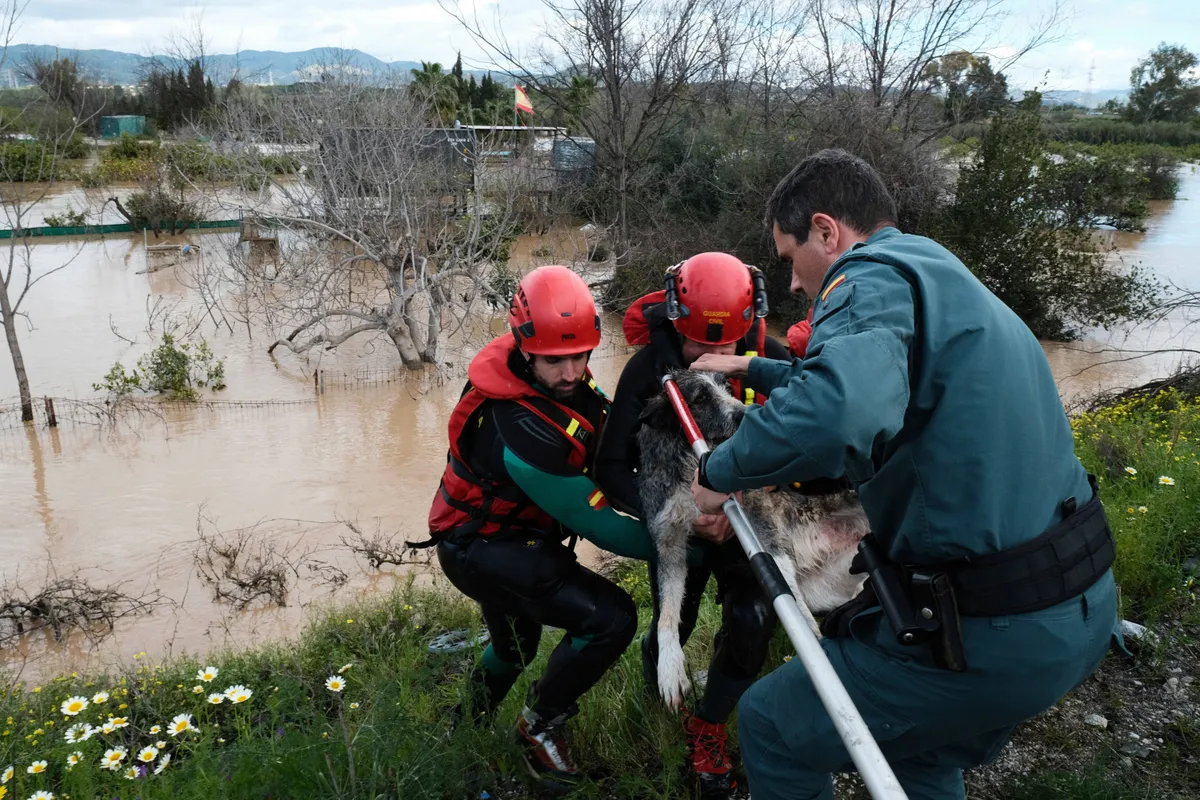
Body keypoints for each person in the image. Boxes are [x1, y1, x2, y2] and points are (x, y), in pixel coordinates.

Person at [688, 149, 1119, 800]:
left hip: (993, 638)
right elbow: (890, 382)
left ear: (827, 232)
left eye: (790, 258)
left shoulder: (864, 278)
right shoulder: (933, 270)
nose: (797, 286)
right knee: (920, 758)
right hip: (1079, 610)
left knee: (773, 722)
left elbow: (838, 412)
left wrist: (718, 472)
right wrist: (753, 370)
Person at [426, 265, 656, 792]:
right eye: (558, 360)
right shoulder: (521, 433)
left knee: (515, 646)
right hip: (483, 550)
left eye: (582, 356)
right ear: (526, 348)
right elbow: (600, 525)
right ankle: (540, 726)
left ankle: (463, 727)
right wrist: (688, 551)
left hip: (494, 535)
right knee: (613, 619)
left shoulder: (542, 366)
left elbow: (601, 434)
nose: (573, 371)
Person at [592, 252, 794, 800]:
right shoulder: (644, 371)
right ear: (675, 326)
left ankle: (711, 724)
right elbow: (611, 466)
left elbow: (804, 448)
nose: (714, 358)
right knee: (671, 629)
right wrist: (676, 511)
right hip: (678, 519)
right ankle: (661, 703)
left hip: (743, 520)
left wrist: (756, 495)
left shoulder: (768, 359)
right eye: (701, 348)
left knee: (753, 617)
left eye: (727, 348)